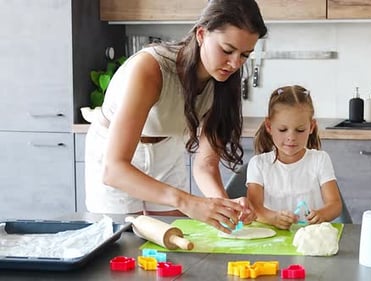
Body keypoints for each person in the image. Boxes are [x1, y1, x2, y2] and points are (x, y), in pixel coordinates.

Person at [84, 0, 268, 234]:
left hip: (167, 151)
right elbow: (115, 170)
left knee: (173, 237)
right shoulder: (151, 68)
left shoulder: (223, 82)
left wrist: (226, 208)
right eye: (227, 50)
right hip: (116, 156)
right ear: (201, 34)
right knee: (121, 241)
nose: (234, 64)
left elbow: (205, 164)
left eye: (245, 55)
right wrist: (187, 201)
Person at [246, 85, 342, 230]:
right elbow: (254, 207)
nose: (291, 137)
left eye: (300, 130)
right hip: (272, 238)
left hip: (311, 237)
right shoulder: (258, 164)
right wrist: (273, 218)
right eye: (283, 130)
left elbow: (335, 204)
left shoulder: (320, 160)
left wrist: (322, 214)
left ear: (311, 127)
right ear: (269, 126)